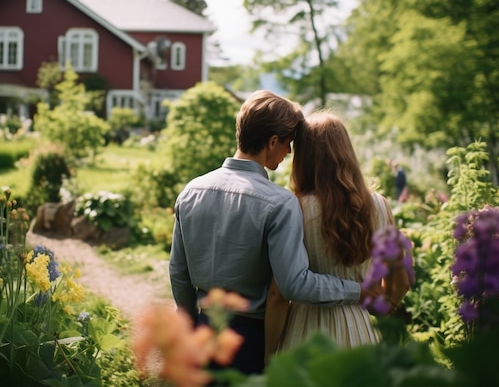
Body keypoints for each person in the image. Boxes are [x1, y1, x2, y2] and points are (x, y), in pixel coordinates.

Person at [169, 91, 379, 375]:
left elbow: (179, 274)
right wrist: (358, 290)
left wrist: (191, 325)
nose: (290, 152)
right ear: (272, 142)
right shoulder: (279, 204)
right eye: (288, 143)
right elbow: (294, 284)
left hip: (204, 329)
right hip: (250, 339)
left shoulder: (191, 191)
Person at [269, 111, 411, 353]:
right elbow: (400, 282)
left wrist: (269, 355)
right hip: (359, 332)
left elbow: (278, 294)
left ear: (303, 156)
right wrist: (378, 304)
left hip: (304, 333)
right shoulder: (380, 205)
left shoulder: (295, 207)